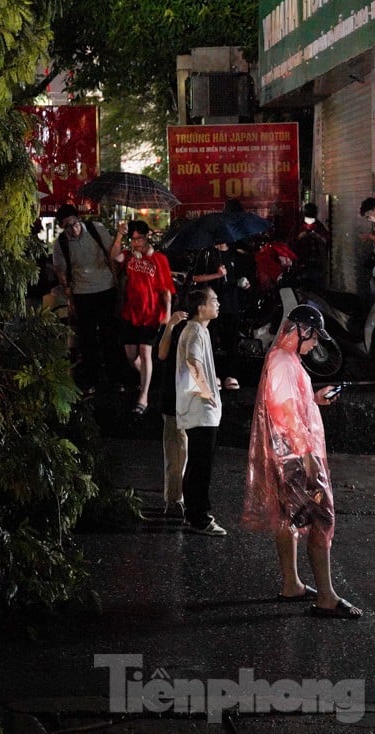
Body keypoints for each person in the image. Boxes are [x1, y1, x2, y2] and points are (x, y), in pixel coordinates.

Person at [241, 304, 363, 619]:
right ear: (301, 330)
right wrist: (308, 457)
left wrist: (316, 399)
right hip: (296, 455)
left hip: (286, 453)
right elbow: (284, 414)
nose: (314, 345)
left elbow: (292, 403)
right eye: (312, 339)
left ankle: (291, 583)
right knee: (322, 520)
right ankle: (327, 597)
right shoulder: (283, 362)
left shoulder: (286, 359)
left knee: (287, 518)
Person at [50, 203, 125, 394]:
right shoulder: (61, 243)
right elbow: (61, 270)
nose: (73, 229)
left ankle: (116, 378)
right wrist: (69, 296)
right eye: (67, 226)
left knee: (110, 335)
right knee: (88, 339)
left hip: (105, 289)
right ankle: (92, 379)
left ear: (79, 220)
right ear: (62, 226)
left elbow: (112, 255)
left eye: (74, 223)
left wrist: (116, 281)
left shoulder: (96, 229)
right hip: (82, 294)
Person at [176, 286, 227, 536]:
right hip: (200, 411)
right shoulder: (195, 331)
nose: (218, 304)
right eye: (214, 300)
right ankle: (200, 517)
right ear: (201, 307)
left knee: (197, 464)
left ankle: (192, 514)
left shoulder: (199, 331)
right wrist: (207, 393)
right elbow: (193, 361)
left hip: (198, 410)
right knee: (201, 467)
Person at [112, 219, 175, 414]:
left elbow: (166, 290)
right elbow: (114, 257)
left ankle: (144, 397)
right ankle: (148, 378)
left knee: (145, 352)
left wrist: (168, 315)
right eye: (133, 239)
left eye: (139, 238)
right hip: (131, 312)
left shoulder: (158, 259)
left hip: (151, 313)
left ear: (147, 237)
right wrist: (120, 235)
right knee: (132, 357)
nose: (135, 242)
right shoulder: (130, 256)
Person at [189, 227, 250, 391]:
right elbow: (196, 277)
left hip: (231, 303)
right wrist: (216, 275)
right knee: (210, 340)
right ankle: (212, 374)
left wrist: (243, 282)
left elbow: (242, 277)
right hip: (211, 305)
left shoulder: (236, 255)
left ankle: (231, 375)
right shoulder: (207, 254)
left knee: (232, 340)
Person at [156, 309, 189, 519]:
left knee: (183, 451)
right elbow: (162, 354)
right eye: (212, 301)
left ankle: (178, 499)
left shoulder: (201, 330)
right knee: (177, 450)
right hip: (175, 398)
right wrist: (170, 325)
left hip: (189, 400)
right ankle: (174, 500)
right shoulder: (181, 326)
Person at [288, 202, 330, 289]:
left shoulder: (318, 226)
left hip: (317, 264)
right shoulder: (298, 226)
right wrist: (299, 238)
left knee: (317, 288)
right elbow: (290, 244)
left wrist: (319, 238)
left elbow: (326, 241)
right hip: (302, 263)